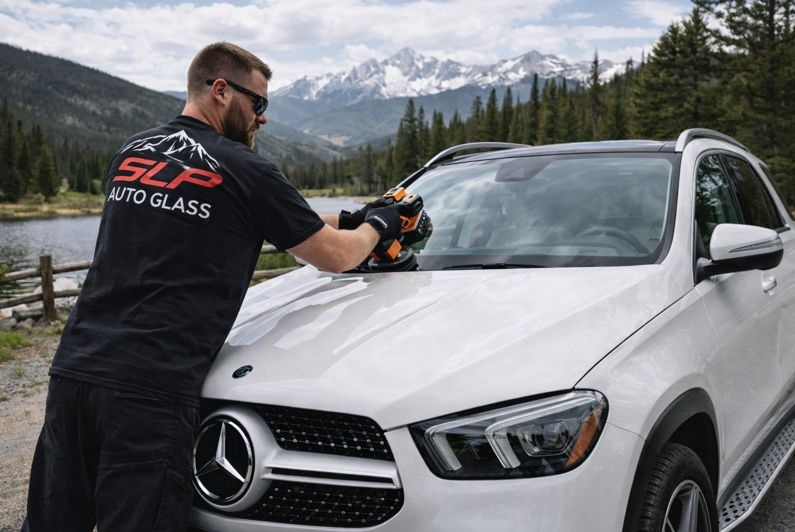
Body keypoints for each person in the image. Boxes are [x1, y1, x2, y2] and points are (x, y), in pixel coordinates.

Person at [22, 42, 407, 532]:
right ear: (221, 91)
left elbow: (239, 211)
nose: (263, 118)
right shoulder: (247, 169)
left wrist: (349, 215)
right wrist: (379, 225)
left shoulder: (132, 152)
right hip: (151, 387)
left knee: (53, 521)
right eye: (259, 103)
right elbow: (336, 255)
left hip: (75, 370)